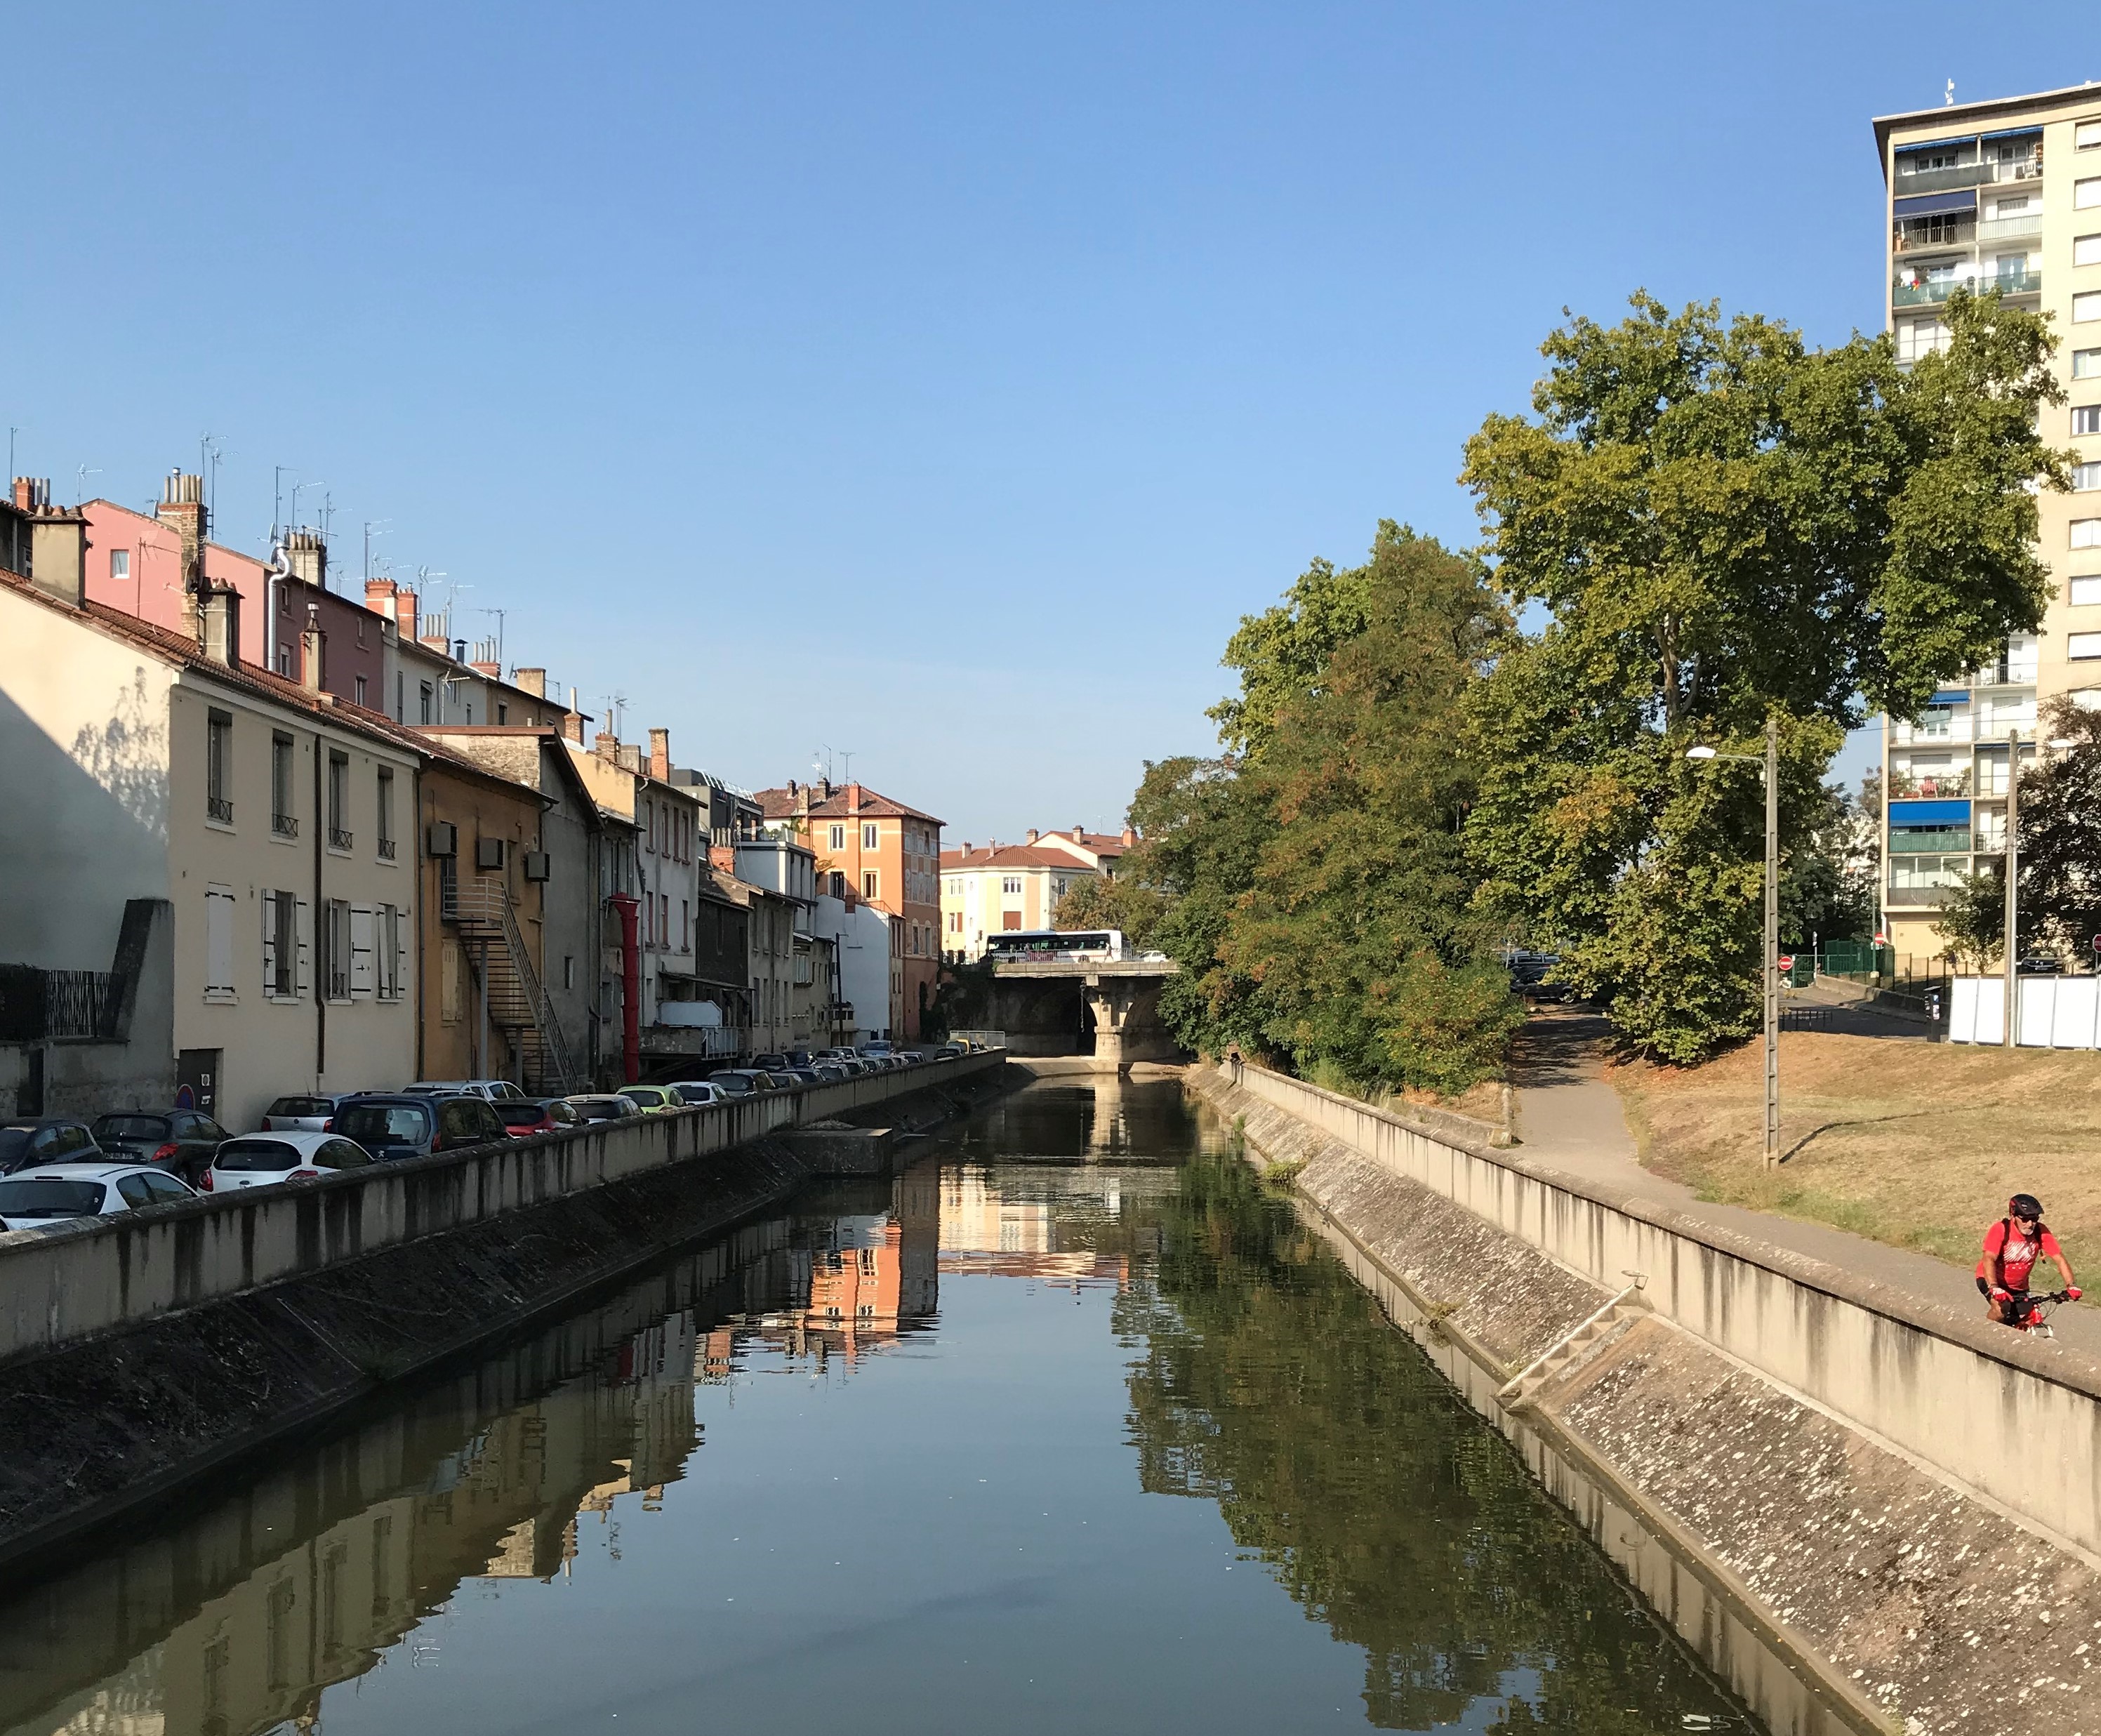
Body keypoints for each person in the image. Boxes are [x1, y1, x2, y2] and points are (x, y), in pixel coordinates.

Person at [1977, 1193, 2080, 1327]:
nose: (2030, 1224)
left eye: (2035, 1218)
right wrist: (1994, 1287)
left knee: (2028, 1317)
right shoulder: (2001, 1230)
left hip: (2019, 1287)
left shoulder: (2040, 1231)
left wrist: (2071, 1285)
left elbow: (2059, 1258)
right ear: (2013, 1216)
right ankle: (1984, 1337)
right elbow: (1989, 1259)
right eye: (2025, 1219)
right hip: (1991, 1279)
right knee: (2001, 1310)